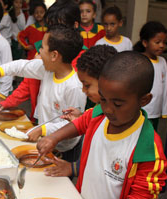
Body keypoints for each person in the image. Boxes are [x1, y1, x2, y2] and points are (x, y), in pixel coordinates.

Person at [37, 51, 167, 199]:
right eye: (103, 99)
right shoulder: (99, 114)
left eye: (118, 104)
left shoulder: (147, 147)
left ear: (143, 100)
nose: (107, 109)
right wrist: (54, 137)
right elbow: (81, 123)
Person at [0, 26, 86, 163]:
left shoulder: (74, 87)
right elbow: (22, 66)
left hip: (65, 147)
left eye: (42, 47)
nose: (39, 51)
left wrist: (43, 129)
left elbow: (73, 124)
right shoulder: (47, 70)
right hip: (45, 138)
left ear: (54, 55)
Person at [0, 0, 81, 121]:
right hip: (40, 119)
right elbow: (28, 81)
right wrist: (8, 102)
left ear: (75, 25)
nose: (54, 32)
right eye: (51, 27)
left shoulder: (82, 60)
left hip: (64, 128)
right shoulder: (44, 52)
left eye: (60, 27)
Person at [43, 45, 117, 177]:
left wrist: (74, 169)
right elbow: (83, 121)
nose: (83, 90)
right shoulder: (100, 109)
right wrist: (53, 138)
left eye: (87, 85)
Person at [133, 21, 167, 131]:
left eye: (164, 42)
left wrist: (164, 110)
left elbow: (165, 88)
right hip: (141, 111)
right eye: (157, 42)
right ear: (145, 42)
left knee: (152, 138)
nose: (162, 45)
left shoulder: (163, 62)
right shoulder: (138, 61)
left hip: (155, 112)